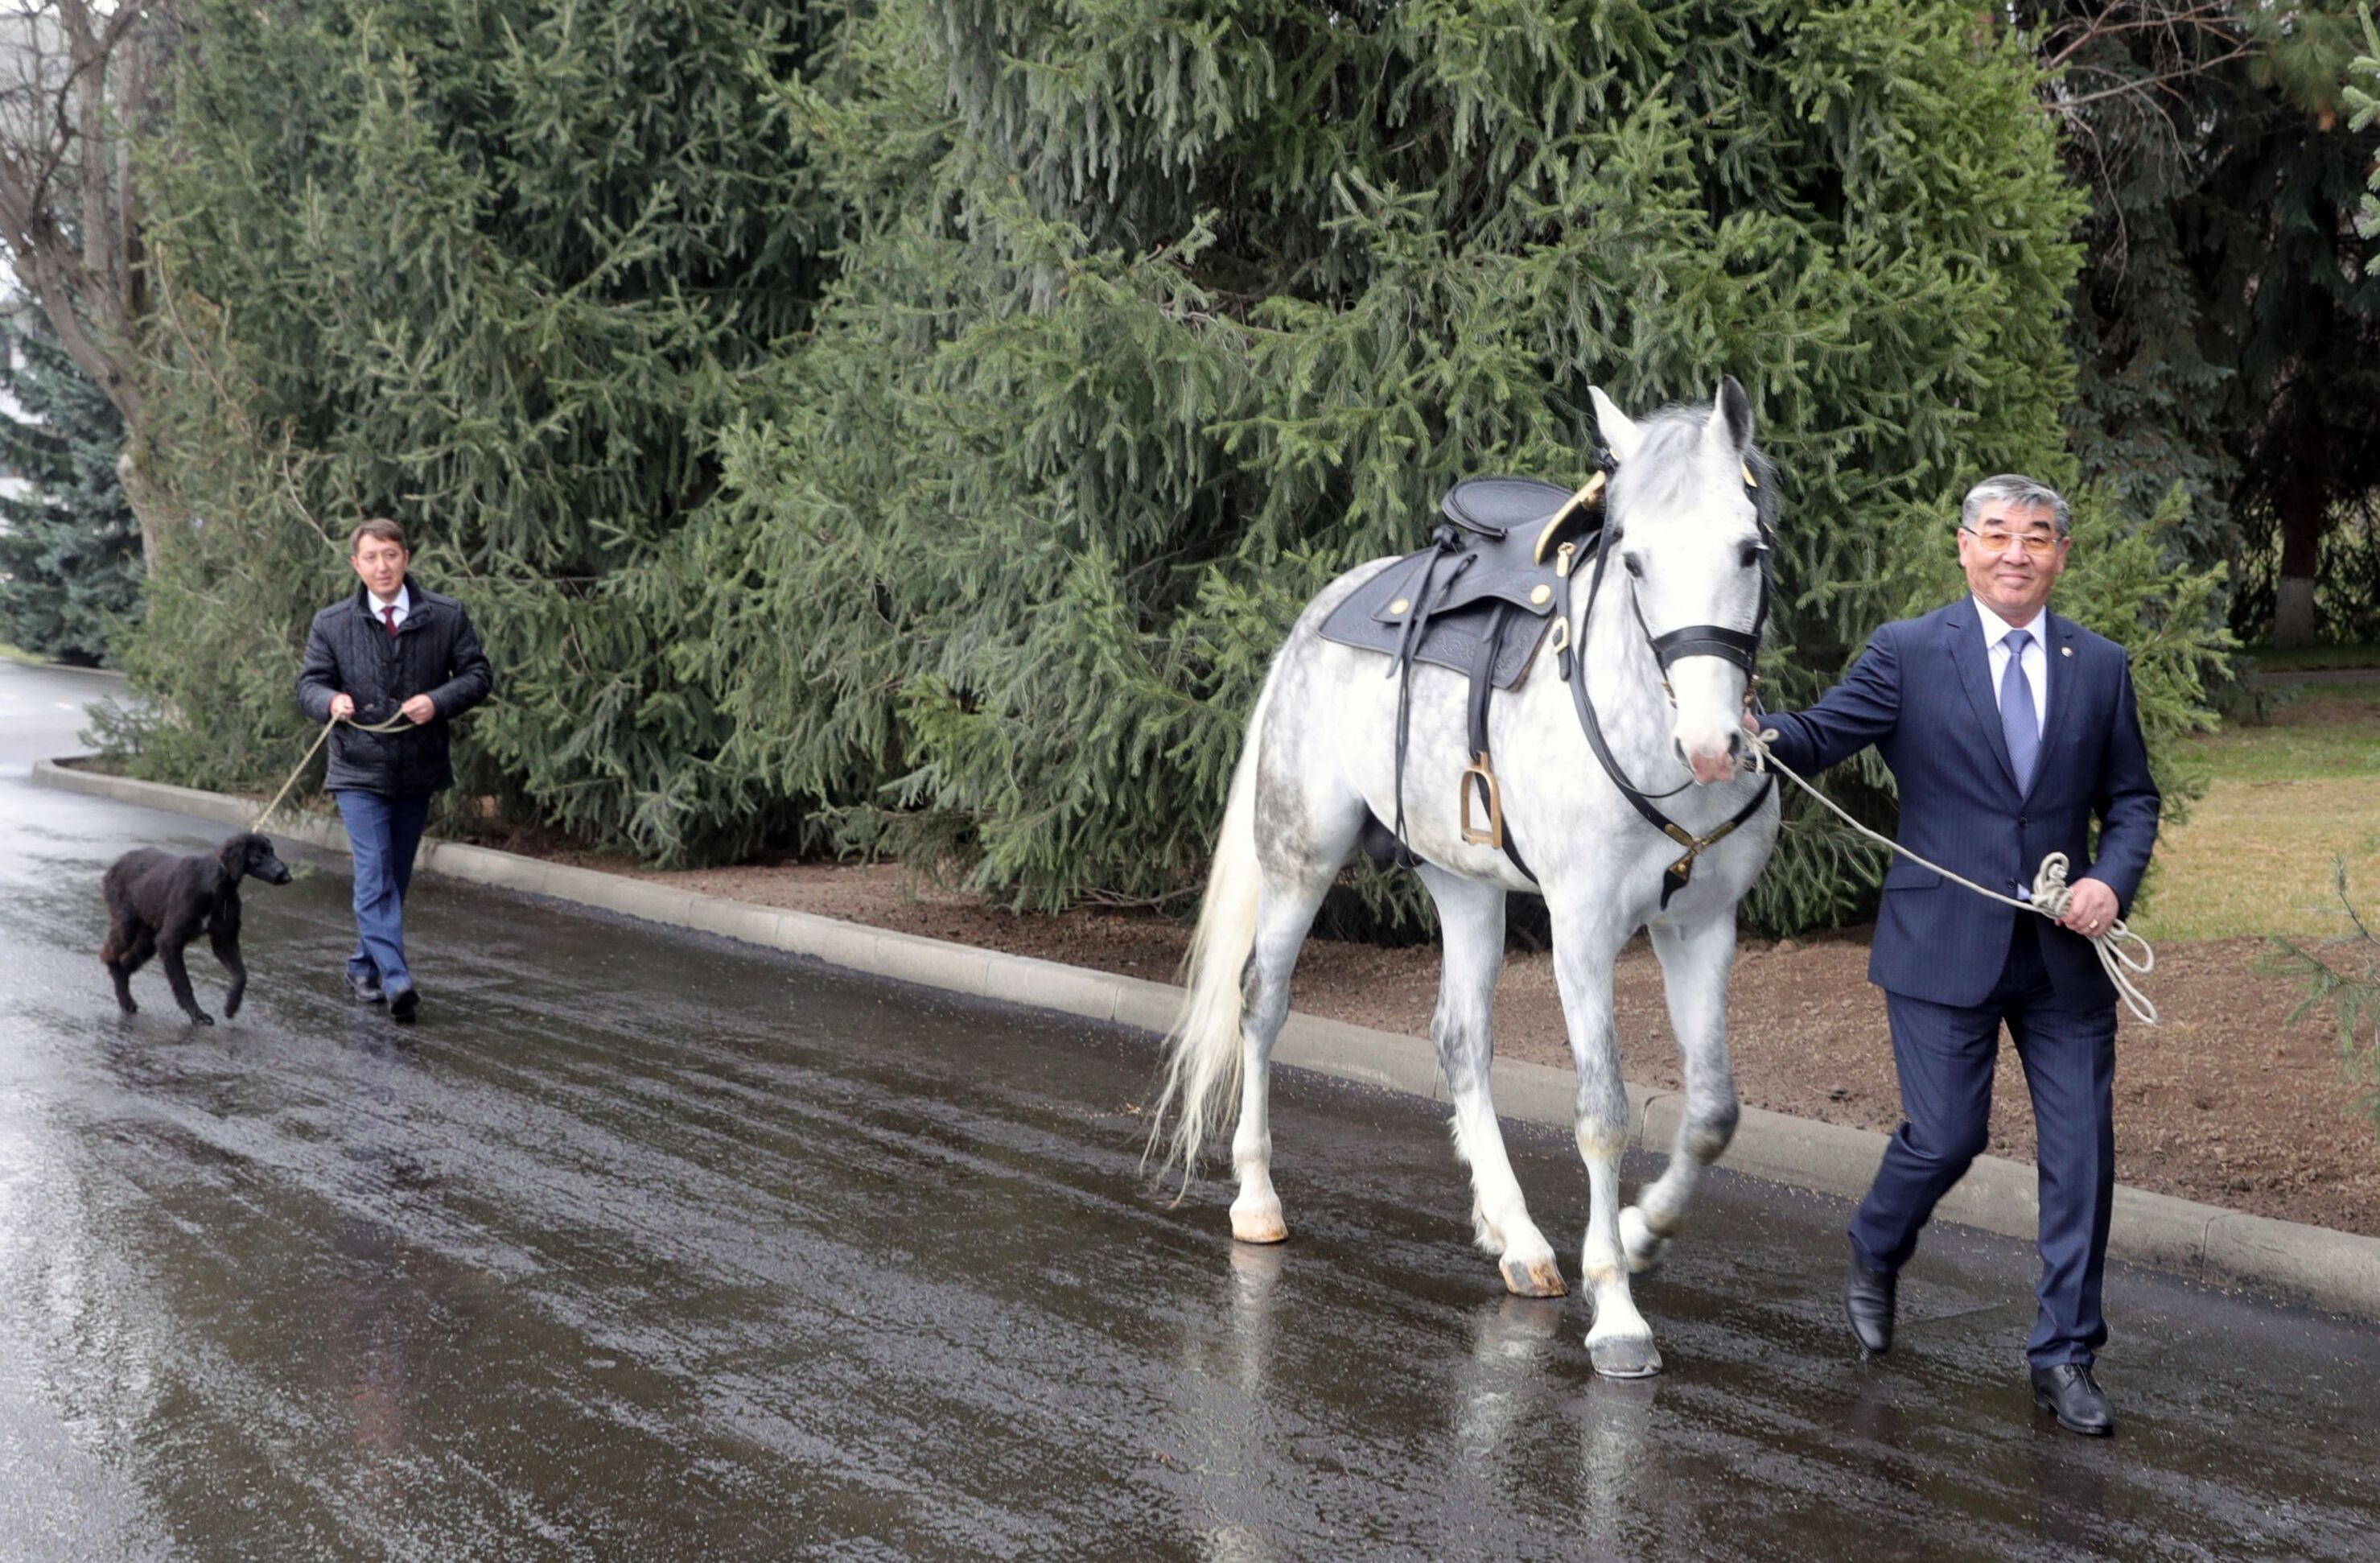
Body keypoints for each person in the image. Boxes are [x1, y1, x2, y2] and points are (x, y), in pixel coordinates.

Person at [1752, 475, 2159, 1437]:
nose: (2017, 551)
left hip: (2065, 956)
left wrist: (2111, 878)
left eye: (2039, 536)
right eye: (1998, 533)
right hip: (1943, 943)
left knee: (2081, 1157)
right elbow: (1818, 736)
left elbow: (2133, 797)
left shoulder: (2098, 664)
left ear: (2063, 552)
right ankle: (1876, 1242)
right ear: (1964, 546)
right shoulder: (1906, 653)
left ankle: (2064, 1354)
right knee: (1946, 1137)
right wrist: (1753, 729)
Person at [296, 519, 492, 1024]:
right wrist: (330, 700)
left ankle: (363, 964)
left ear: (405, 557)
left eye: (390, 554)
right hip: (356, 767)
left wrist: (438, 699)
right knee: (375, 867)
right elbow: (308, 685)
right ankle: (396, 975)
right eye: (370, 557)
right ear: (355, 565)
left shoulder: (445, 616)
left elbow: (477, 675)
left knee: (395, 873)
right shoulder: (332, 623)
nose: (381, 566)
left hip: (417, 766)